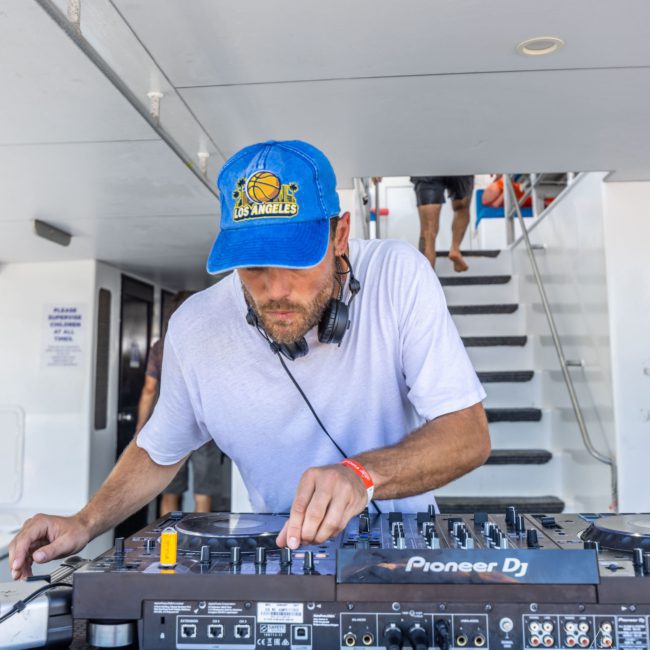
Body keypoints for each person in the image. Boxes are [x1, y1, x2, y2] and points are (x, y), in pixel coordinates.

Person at [9, 140, 490, 580]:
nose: (275, 290)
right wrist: (85, 520)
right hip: (283, 554)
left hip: (406, 553)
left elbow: (467, 434)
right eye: (255, 266)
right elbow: (158, 450)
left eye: (297, 261)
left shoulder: (399, 275)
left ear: (340, 235)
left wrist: (362, 475)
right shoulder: (195, 327)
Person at [135, 291, 224, 515]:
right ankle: (199, 545)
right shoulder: (209, 344)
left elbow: (149, 389)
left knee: (169, 491)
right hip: (205, 427)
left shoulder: (160, 347)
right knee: (203, 492)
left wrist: (140, 429)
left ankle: (169, 547)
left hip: (170, 426)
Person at [409, 175, 474, 273]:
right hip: (461, 165)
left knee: (428, 231)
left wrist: (379, 170)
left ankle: (426, 281)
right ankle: (455, 249)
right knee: (462, 208)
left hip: (427, 167)